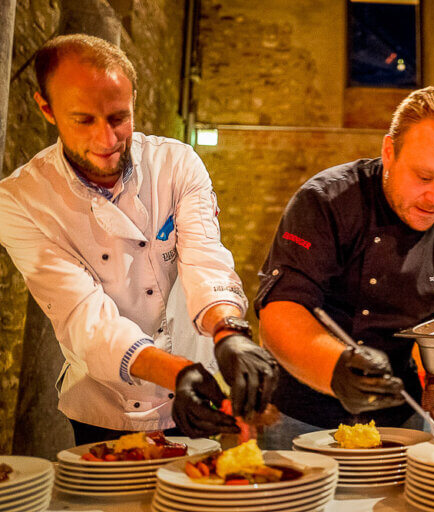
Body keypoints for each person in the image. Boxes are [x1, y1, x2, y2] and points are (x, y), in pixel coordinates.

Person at [0, 34, 278, 444]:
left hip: (200, 388)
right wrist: (176, 371)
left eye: (118, 117)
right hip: (106, 403)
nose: (107, 140)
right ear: (47, 109)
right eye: (84, 120)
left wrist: (229, 332)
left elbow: (205, 258)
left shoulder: (176, 164)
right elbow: (83, 317)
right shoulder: (21, 200)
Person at [256, 86, 434, 447]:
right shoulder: (326, 201)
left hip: (402, 416)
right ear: (390, 152)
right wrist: (335, 368)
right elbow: (279, 313)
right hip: (302, 414)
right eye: (424, 177)